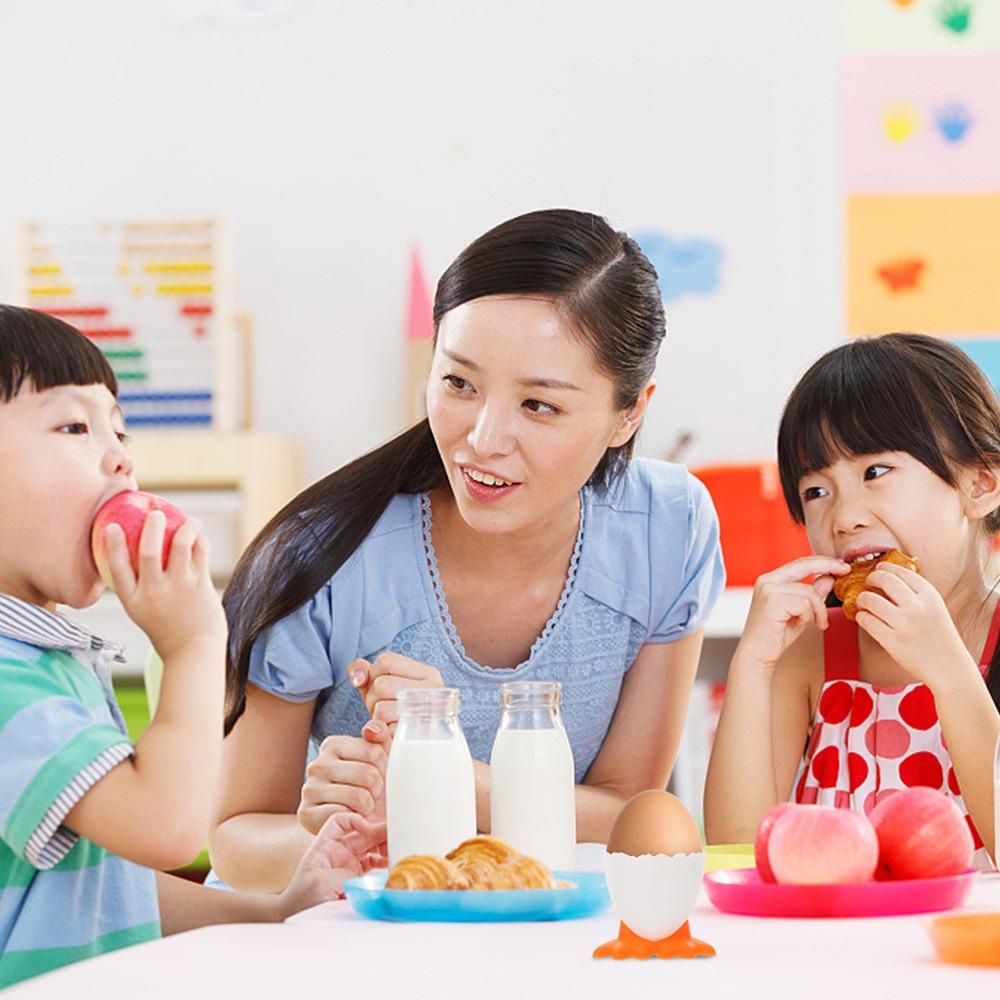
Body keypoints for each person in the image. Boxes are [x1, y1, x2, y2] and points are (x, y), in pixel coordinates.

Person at [210, 209, 725, 891]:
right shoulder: (324, 556)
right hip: (354, 934)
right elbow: (236, 837)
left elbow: (625, 811)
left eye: (539, 405)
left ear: (629, 413)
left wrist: (448, 778)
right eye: (459, 383)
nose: (483, 438)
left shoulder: (664, 526)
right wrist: (341, 841)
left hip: (544, 925)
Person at [0, 306, 386, 988]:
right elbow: (171, 832)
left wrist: (272, 913)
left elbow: (101, 891)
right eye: (73, 426)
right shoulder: (8, 681)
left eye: (118, 429)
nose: (120, 454)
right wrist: (194, 643)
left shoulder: (51, 662)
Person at [704, 333, 1000, 867]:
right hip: (831, 945)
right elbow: (735, 853)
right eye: (816, 491)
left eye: (875, 472)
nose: (844, 518)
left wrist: (949, 673)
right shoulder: (813, 648)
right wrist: (753, 662)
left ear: (980, 485)